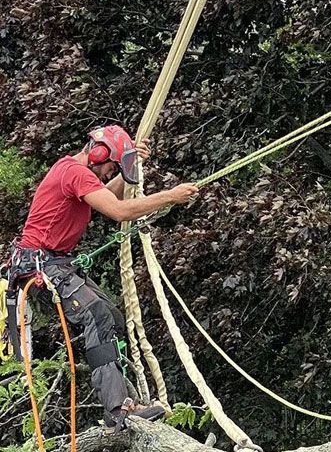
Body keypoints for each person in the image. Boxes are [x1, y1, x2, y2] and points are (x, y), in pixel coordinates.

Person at [3, 125, 199, 430]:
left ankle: (124, 395)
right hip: (40, 267)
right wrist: (169, 197)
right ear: (98, 153)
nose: (110, 172)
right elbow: (118, 210)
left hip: (54, 264)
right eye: (112, 165)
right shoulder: (75, 172)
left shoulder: (76, 173)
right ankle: (117, 411)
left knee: (111, 316)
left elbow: (106, 195)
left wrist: (135, 162)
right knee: (96, 315)